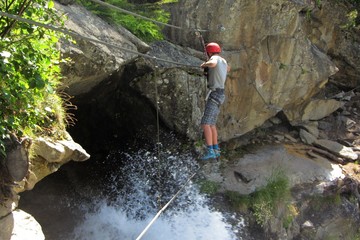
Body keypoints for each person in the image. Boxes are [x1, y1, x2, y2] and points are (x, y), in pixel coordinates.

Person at [199, 42, 229, 160]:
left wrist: (204, 65)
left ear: (209, 52)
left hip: (215, 93)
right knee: (211, 124)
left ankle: (210, 150)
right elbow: (228, 69)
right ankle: (216, 149)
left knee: (205, 123)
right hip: (220, 93)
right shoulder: (224, 60)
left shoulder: (214, 58)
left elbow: (212, 63)